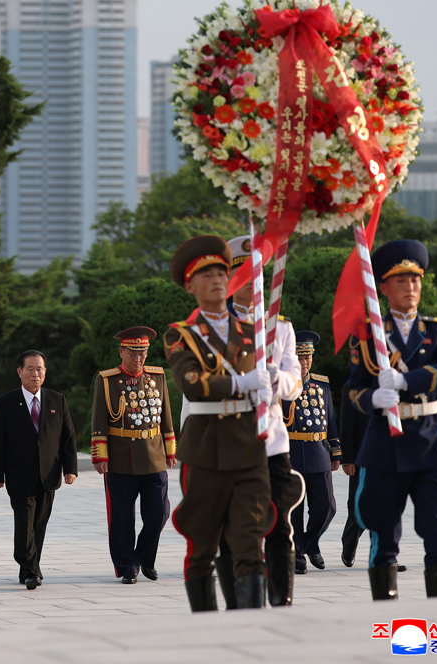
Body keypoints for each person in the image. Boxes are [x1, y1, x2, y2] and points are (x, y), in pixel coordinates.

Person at [349, 239, 437, 600]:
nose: (410, 287)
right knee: (383, 535)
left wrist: (406, 381)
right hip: (384, 444)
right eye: (401, 280)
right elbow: (353, 388)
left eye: (415, 280)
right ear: (383, 288)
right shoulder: (368, 332)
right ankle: (385, 617)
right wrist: (372, 398)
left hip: (430, 443)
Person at [163, 235, 273, 611]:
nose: (217, 280)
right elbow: (192, 384)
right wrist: (242, 383)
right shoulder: (181, 334)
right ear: (190, 286)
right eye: (206, 275)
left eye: (221, 273)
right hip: (205, 449)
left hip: (248, 446)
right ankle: (207, 626)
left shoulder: (253, 332)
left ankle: (252, 623)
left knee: (250, 541)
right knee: (202, 545)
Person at [215, 235, 304, 608]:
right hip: (228, 441)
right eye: (242, 277)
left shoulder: (280, 328)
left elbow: (296, 384)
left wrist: (277, 378)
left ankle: (281, 600)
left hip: (272, 444)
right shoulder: (212, 328)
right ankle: (240, 604)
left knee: (279, 522)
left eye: (256, 277)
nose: (250, 285)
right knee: (230, 527)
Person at [90, 327, 176, 585]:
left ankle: (144, 557)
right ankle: (128, 565)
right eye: (133, 353)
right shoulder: (107, 380)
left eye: (143, 353)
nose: (138, 358)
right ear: (121, 352)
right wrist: (100, 456)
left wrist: (170, 449)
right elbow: (99, 419)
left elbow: (166, 415)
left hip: (153, 456)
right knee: (122, 517)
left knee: (159, 512)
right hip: (120, 458)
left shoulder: (157, 376)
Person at [0, 350, 78, 589]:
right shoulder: (5, 402)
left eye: (40, 369)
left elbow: (68, 437)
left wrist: (70, 469)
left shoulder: (57, 400)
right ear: (20, 372)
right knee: (24, 523)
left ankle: (28, 569)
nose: (35, 374)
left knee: (40, 524)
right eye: (30, 369)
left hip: (49, 474)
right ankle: (30, 570)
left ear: (45, 372)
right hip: (19, 474)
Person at [282, 331, 340, 574]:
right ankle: (297, 557)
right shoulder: (282, 384)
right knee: (294, 511)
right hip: (291, 454)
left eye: (307, 358)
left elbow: (330, 418)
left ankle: (309, 542)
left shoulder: (321, 383)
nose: (304, 363)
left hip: (319, 453)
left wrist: (336, 451)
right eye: (299, 358)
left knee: (327, 506)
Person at [339, 377, 406, 572]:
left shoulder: (395, 383)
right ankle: (349, 544)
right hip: (362, 457)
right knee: (359, 506)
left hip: (389, 456)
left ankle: (387, 556)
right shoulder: (352, 386)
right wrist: (347, 459)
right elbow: (346, 423)